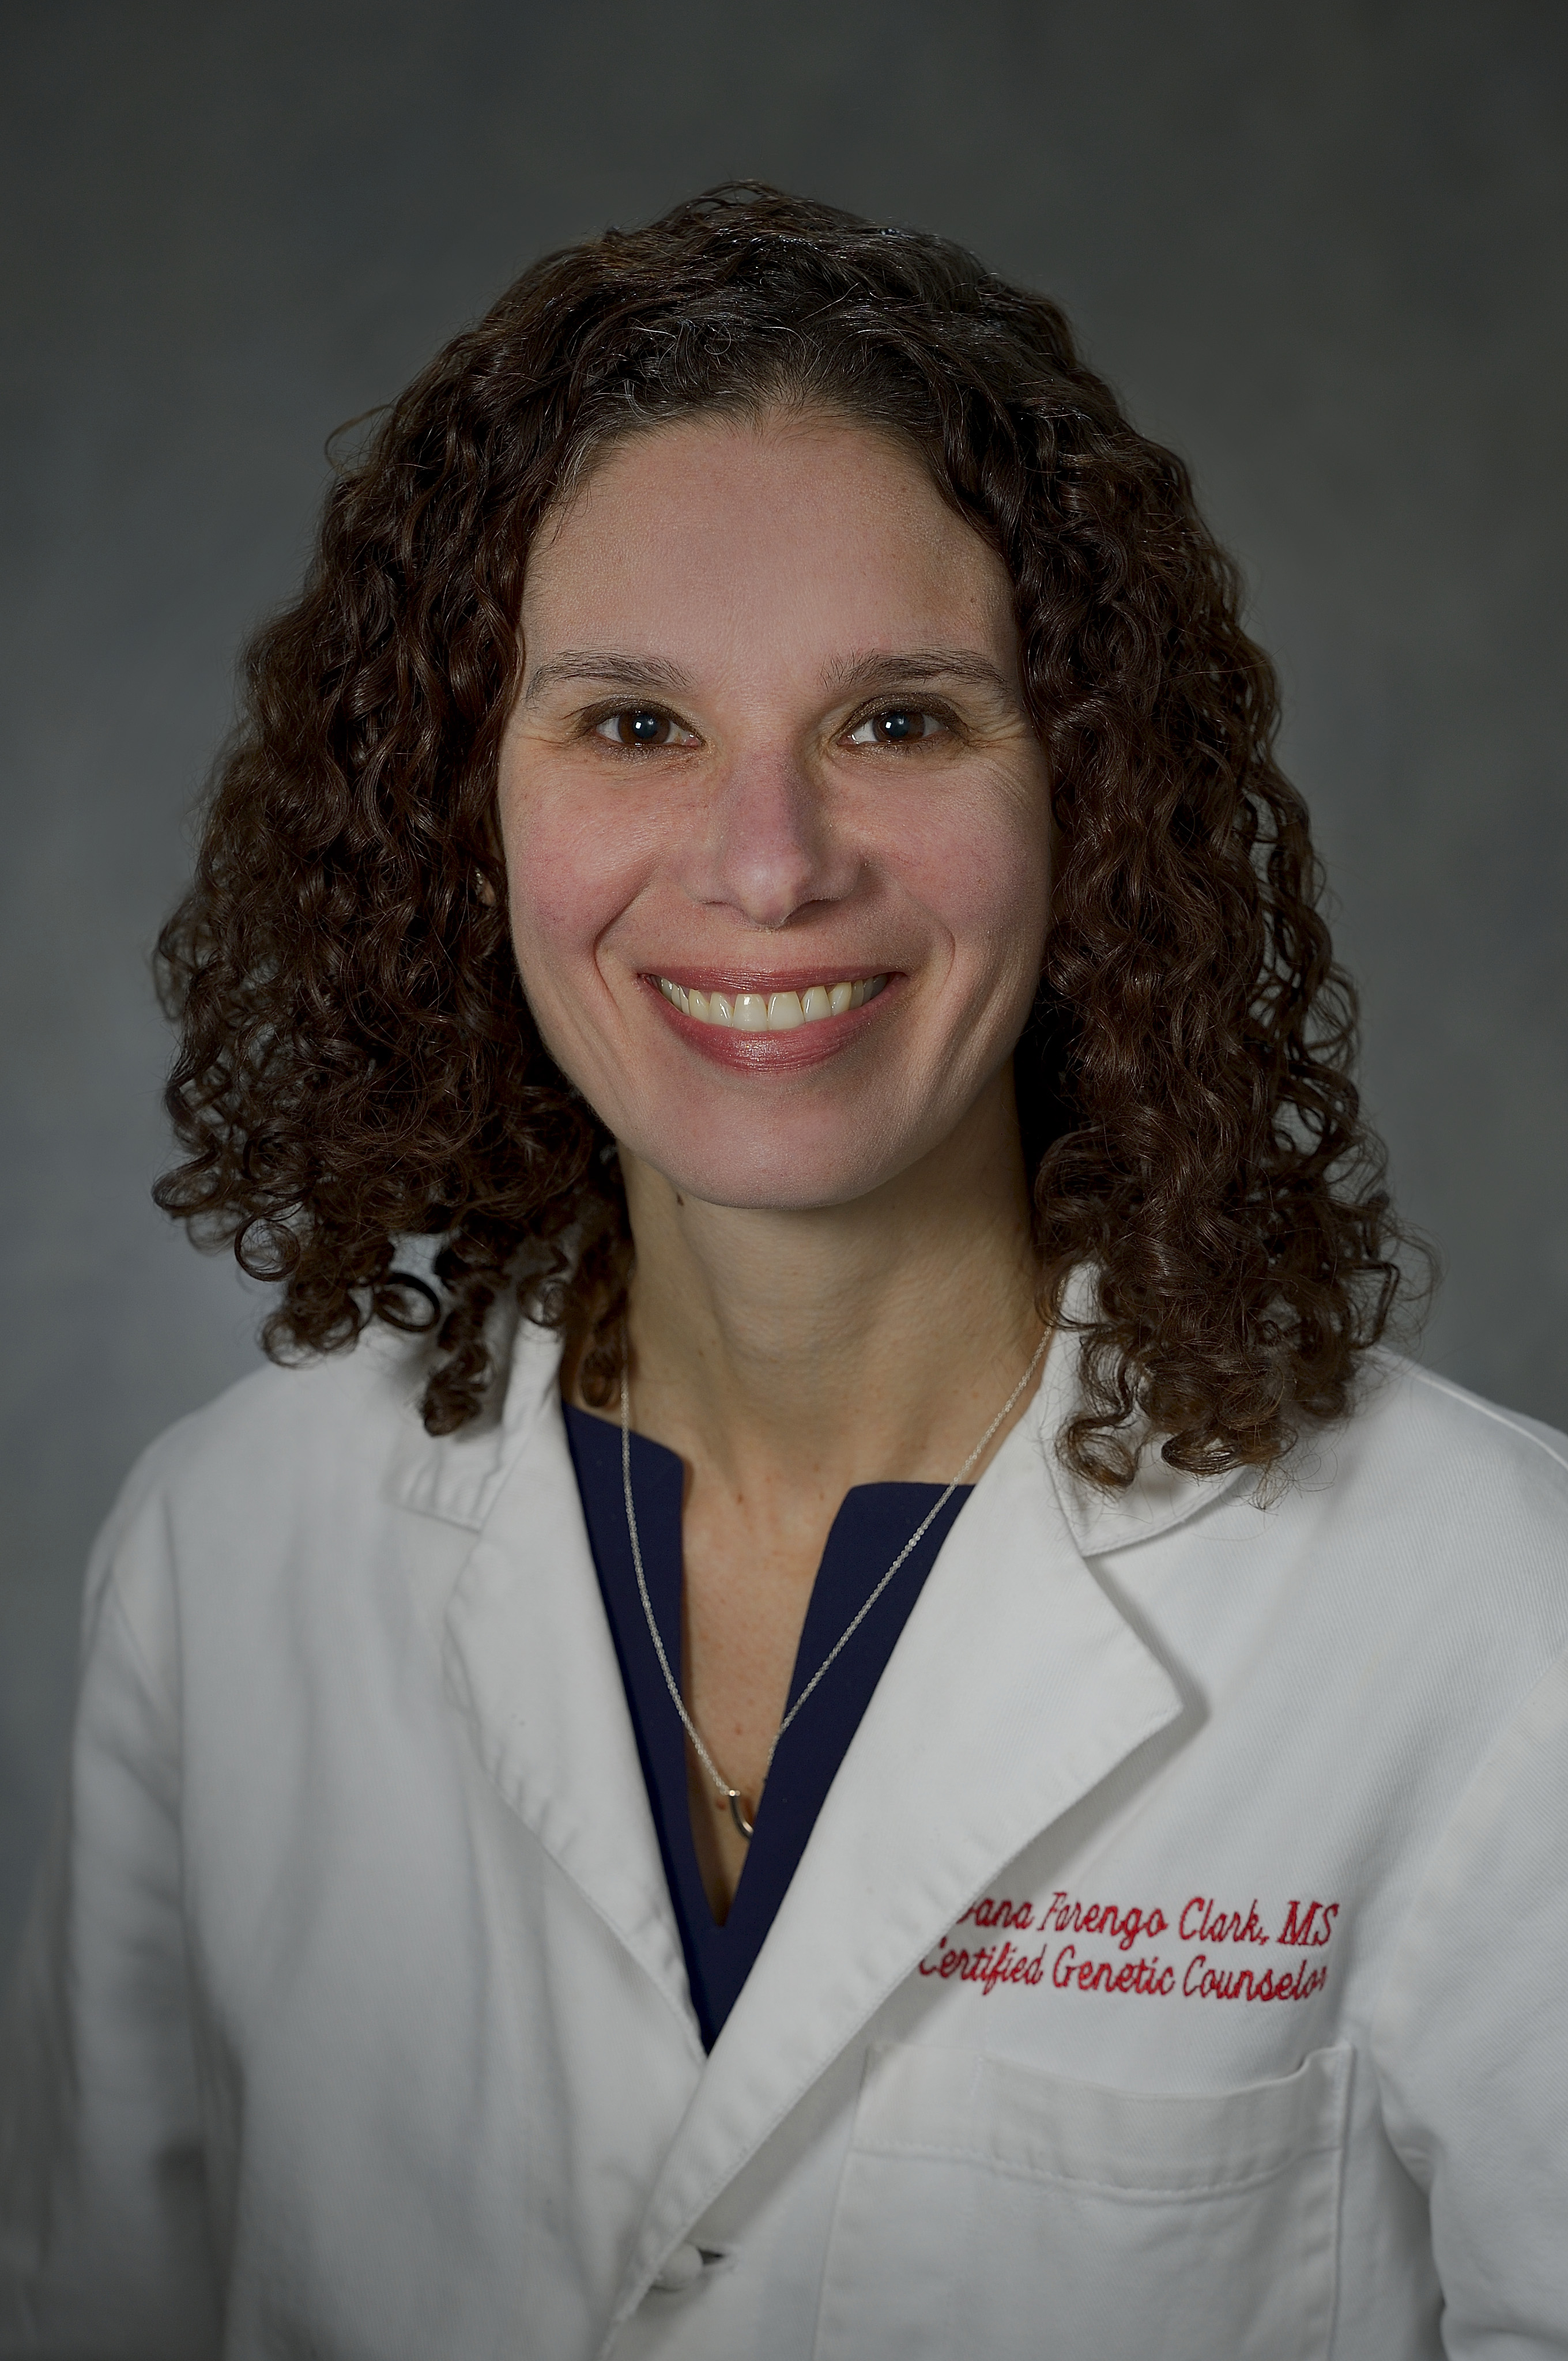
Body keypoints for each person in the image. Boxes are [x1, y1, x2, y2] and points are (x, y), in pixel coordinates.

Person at [2, 183, 1565, 2361]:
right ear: (462, 807)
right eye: (633, 724)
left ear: (1089, 797)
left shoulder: (1494, 1621)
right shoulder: (222, 1560)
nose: (768, 867)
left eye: (900, 721)